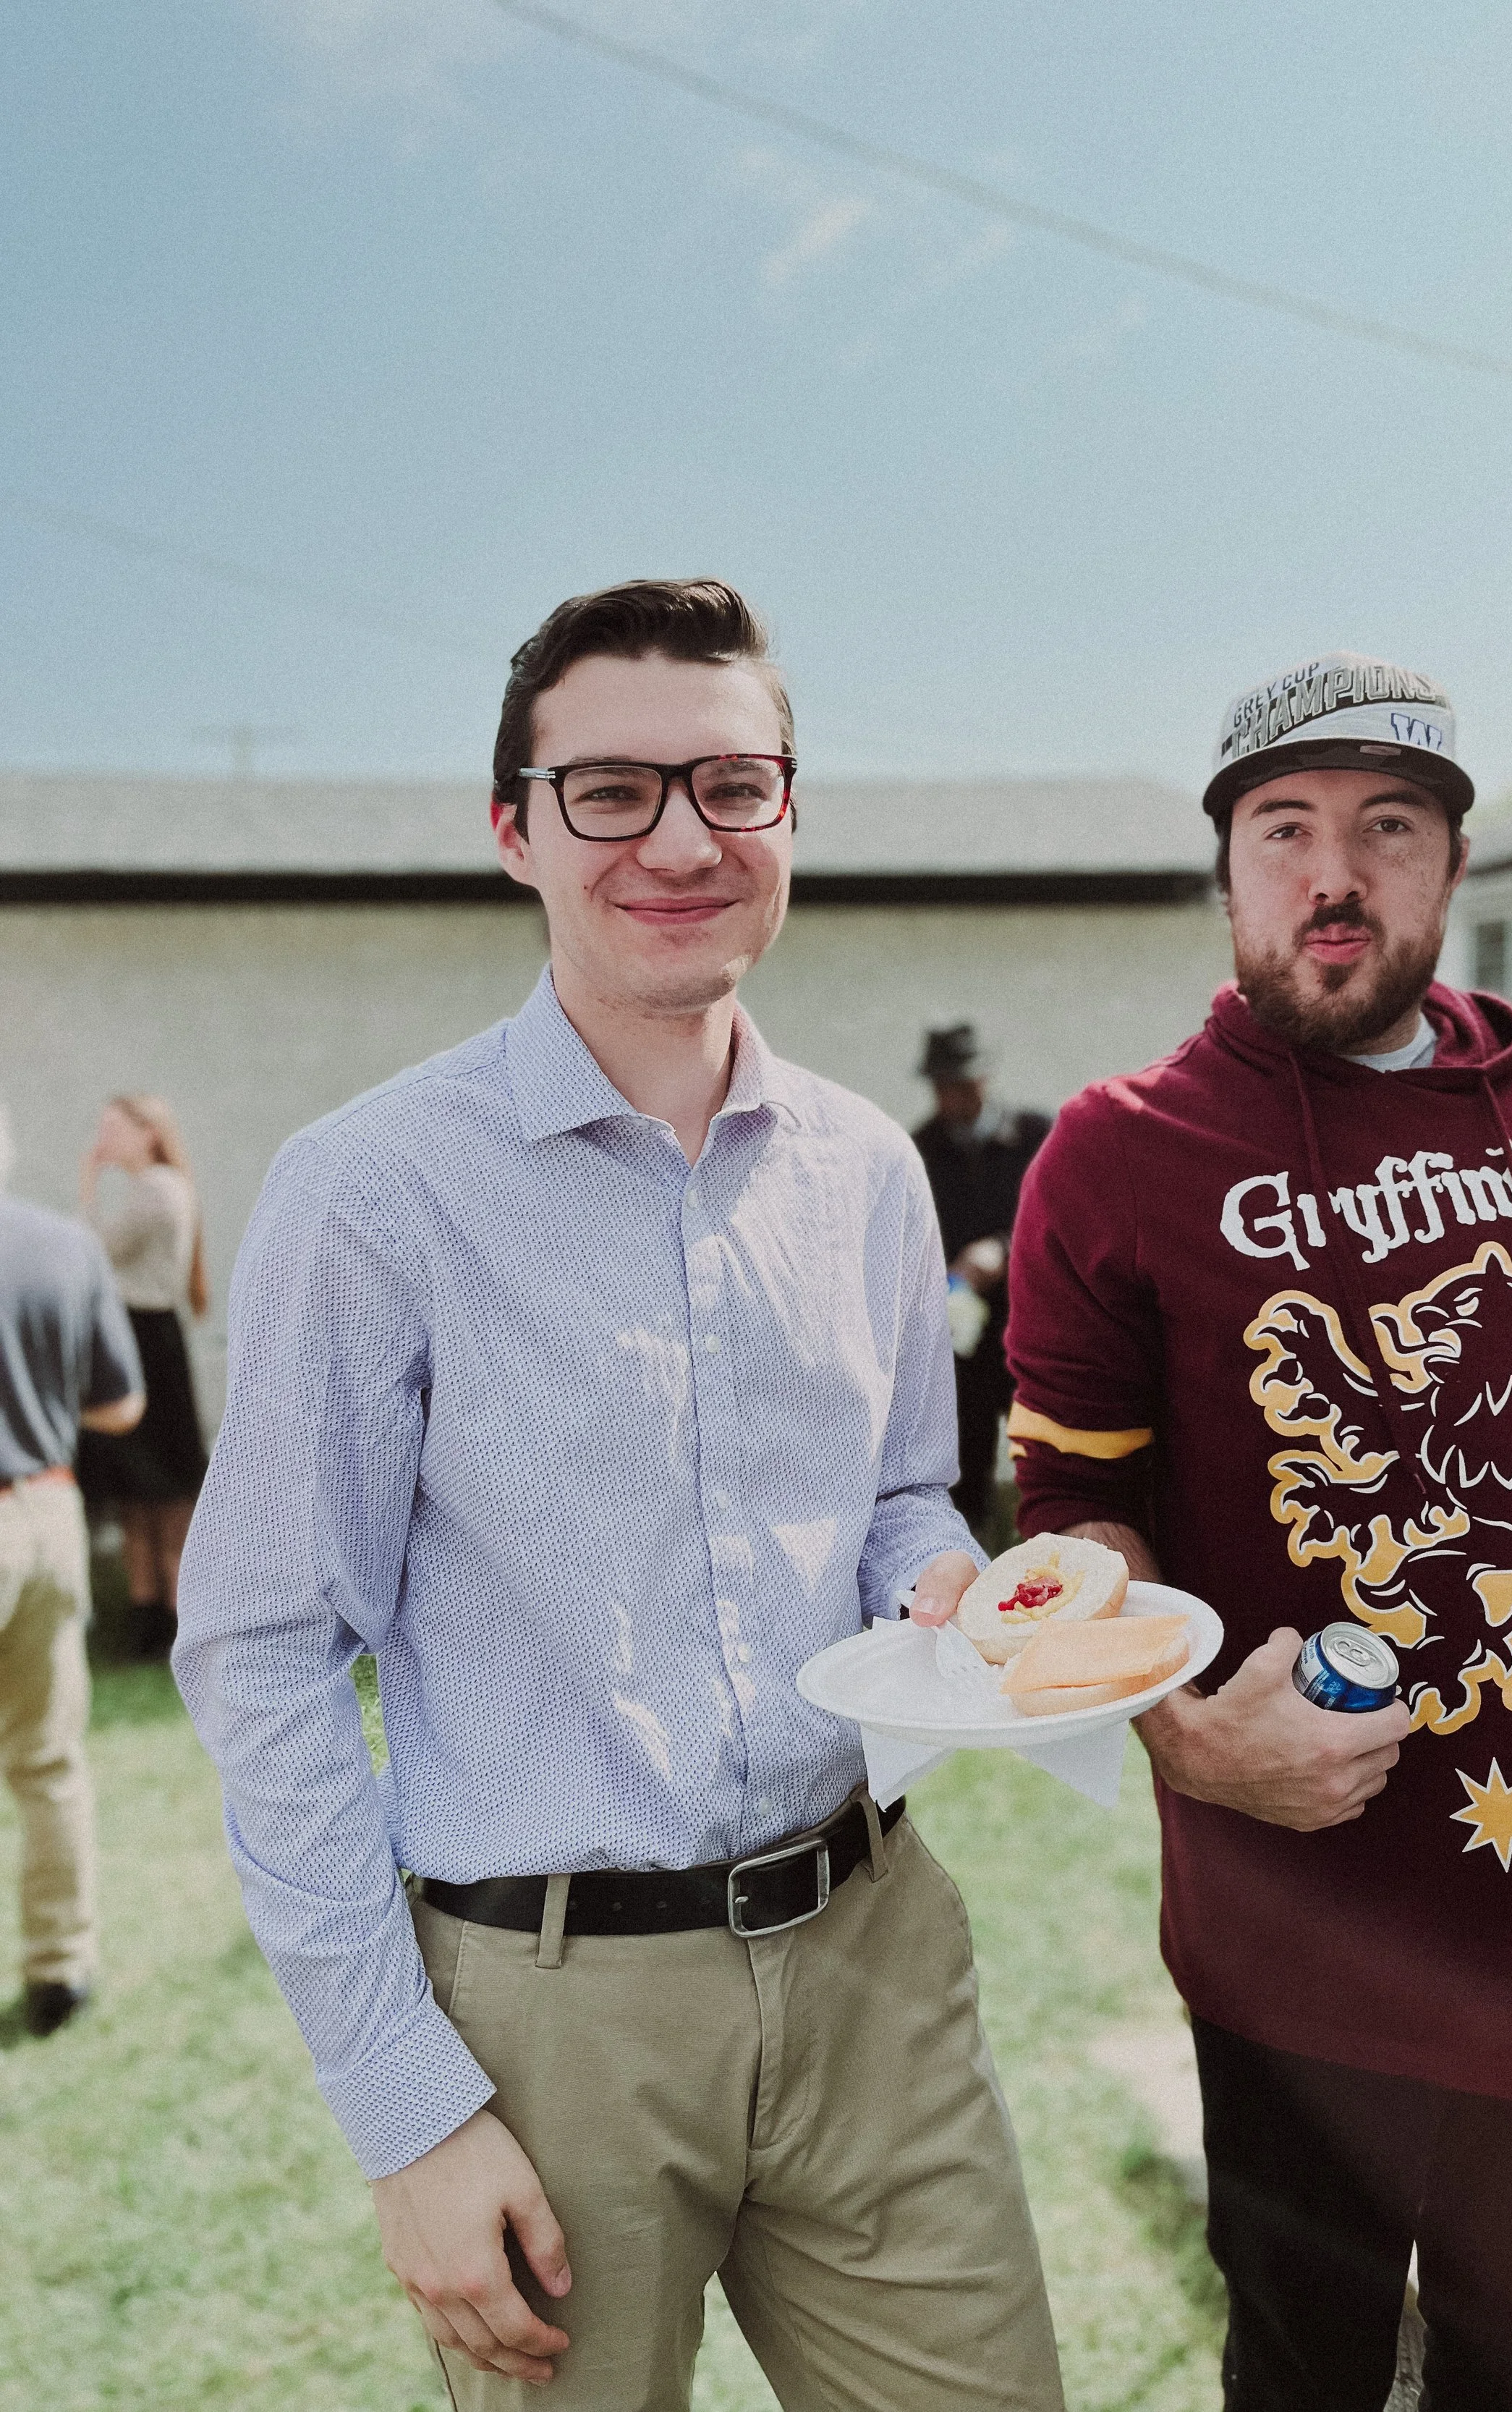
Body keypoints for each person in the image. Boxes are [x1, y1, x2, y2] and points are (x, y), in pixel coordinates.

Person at [174, 580, 1064, 2410]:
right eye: (612, 790)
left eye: (736, 786)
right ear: (514, 827)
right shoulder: (371, 1196)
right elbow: (262, 1649)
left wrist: (946, 1585)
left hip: (872, 1958)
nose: (681, 837)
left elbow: (901, 1490)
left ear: (792, 820)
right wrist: (405, 2109)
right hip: (543, 2014)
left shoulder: (871, 1172)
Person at [979, 651, 1512, 2411]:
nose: (1332, 871)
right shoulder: (1121, 1157)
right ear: (1228, 870)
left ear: (1450, 868)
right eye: (1284, 828)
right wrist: (1174, 1730)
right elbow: (1078, 1508)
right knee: (1308, 2372)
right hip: (1309, 1923)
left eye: (1388, 826)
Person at [0, 1094, 144, 2037]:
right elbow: (120, 1404)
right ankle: (62, 1970)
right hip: (48, 1510)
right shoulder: (64, 1245)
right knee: (48, 1758)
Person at [77, 1096, 210, 1656]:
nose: (104, 1139)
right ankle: (151, 1616)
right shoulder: (163, 1186)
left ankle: (167, 1618)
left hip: (144, 1342)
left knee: (160, 1489)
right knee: (142, 1488)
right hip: (151, 1340)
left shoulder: (156, 1189)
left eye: (114, 1128)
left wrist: (87, 1182)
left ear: (148, 1134)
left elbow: (92, 1253)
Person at [912, 1025, 1050, 1533]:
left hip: (1032, 1331)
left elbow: (1070, 1220)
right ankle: (969, 1561)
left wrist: (1006, 1250)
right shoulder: (919, 1148)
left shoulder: (1037, 1135)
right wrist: (946, 1274)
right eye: (944, 1085)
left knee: (1045, 1456)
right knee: (961, 1470)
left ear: (986, 1076)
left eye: (964, 1083)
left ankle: (1051, 1549)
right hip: (959, 1343)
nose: (955, 1096)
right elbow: (910, 1236)